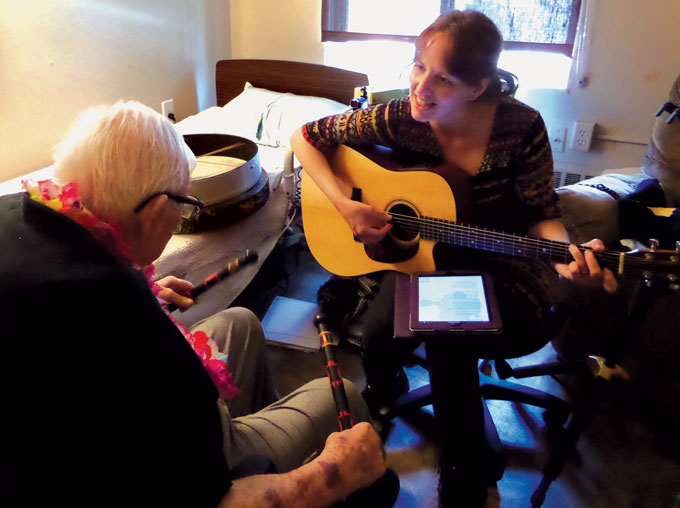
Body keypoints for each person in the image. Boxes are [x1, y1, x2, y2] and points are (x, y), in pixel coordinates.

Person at [291, 9, 615, 508]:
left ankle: (465, 472)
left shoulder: (521, 126)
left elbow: (541, 213)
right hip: (425, 258)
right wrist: (345, 204)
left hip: (504, 263)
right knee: (377, 338)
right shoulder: (403, 116)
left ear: (478, 85)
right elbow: (306, 137)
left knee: (446, 336)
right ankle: (389, 384)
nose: (421, 86)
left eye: (443, 78)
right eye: (419, 66)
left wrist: (564, 256)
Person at [0, 101, 389, 508]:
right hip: (134, 476)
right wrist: (335, 472)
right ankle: (249, 461)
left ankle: (249, 446)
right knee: (342, 394)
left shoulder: (17, 213)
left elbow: (70, 327)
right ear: (153, 210)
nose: (181, 217)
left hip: (63, 432)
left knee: (240, 321)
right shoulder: (130, 321)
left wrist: (143, 295)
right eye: (184, 204)